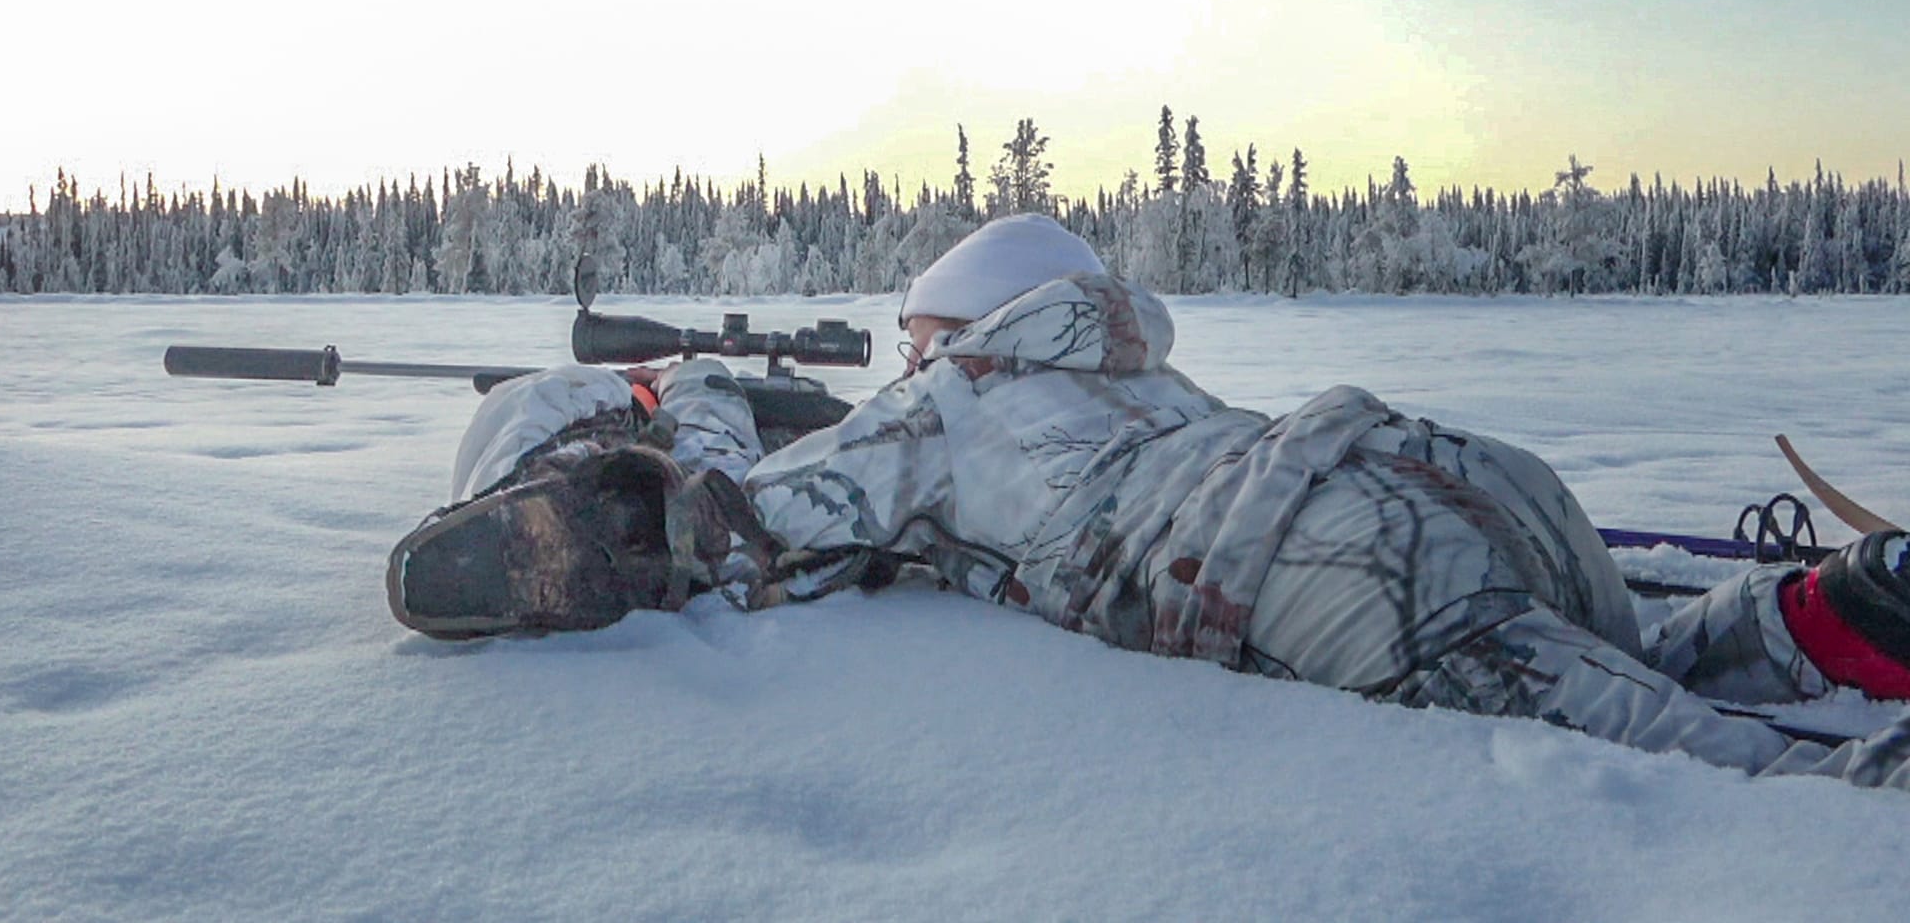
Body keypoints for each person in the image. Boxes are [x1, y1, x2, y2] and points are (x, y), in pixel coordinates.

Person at [389, 213, 1910, 791]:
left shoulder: (942, 408)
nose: (905, 365)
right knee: (1615, 644)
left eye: (916, 341)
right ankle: (1828, 614)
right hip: (1452, 474)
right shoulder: (1137, 376)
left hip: (1312, 566)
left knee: (1721, 768)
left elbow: (729, 528)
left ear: (951, 335)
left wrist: (659, 426)